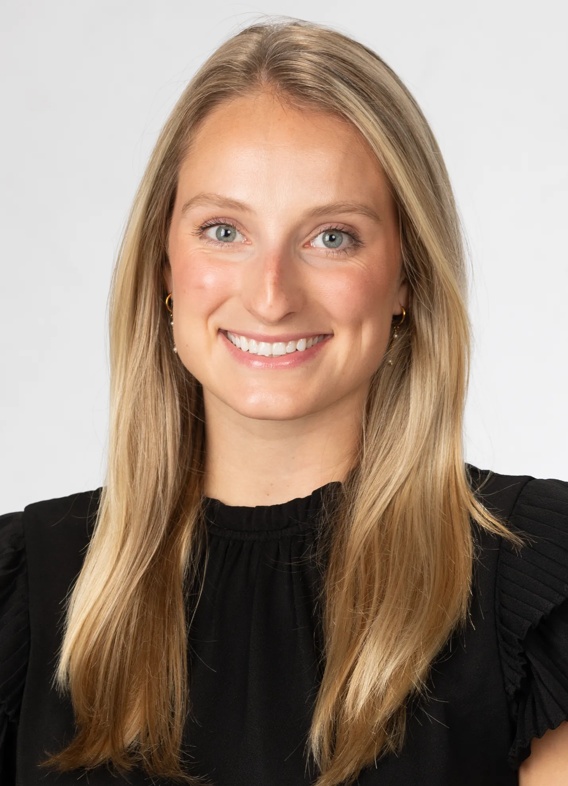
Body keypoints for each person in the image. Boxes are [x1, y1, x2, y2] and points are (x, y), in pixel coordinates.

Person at [1, 19, 567, 786]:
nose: (271, 295)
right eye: (224, 229)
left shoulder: (534, 598)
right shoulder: (23, 599)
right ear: (164, 265)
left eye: (332, 237)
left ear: (406, 276)